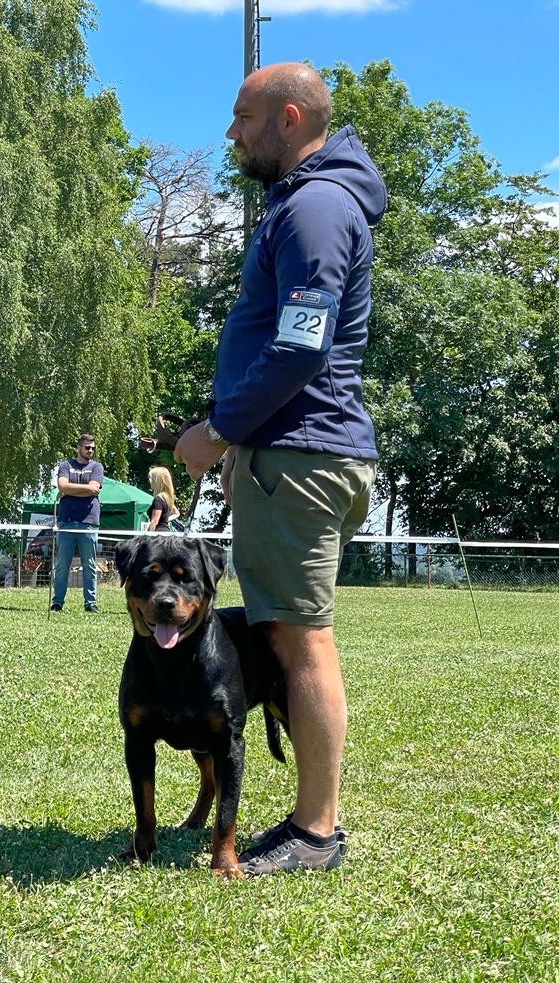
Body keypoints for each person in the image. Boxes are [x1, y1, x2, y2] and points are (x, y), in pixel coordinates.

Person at [175, 63, 386, 875]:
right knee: (289, 631)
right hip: (290, 453)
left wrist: (221, 432)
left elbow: (301, 345)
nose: (231, 134)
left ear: (288, 118)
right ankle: (311, 821)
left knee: (303, 644)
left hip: (299, 454)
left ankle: (316, 831)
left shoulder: (318, 208)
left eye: (242, 118)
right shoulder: (308, 204)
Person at [50, 434, 104, 613]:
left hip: (89, 523)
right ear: (79, 447)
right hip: (66, 522)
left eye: (93, 448)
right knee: (62, 565)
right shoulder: (66, 466)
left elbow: (94, 488)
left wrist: (72, 490)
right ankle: (57, 602)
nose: (90, 450)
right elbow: (62, 486)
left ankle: (91, 603)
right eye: (87, 447)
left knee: (89, 565)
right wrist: (86, 490)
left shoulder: (97, 467)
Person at [146, 466, 179, 532]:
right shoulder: (166, 498)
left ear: (157, 480)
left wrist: (147, 537)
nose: (149, 481)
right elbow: (176, 513)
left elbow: (154, 522)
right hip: (166, 533)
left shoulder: (158, 499)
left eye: (151, 478)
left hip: (159, 535)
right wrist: (165, 520)